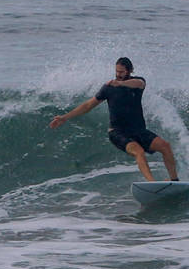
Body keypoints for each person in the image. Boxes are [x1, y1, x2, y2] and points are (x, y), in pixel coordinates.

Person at [49, 57, 179, 182]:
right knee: (139, 151)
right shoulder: (108, 88)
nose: (118, 74)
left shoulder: (138, 82)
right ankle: (152, 183)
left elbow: (139, 83)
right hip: (118, 132)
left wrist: (121, 83)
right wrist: (64, 117)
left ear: (129, 71)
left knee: (165, 146)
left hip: (138, 130)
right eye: (117, 71)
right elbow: (88, 105)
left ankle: (174, 180)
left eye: (121, 72)